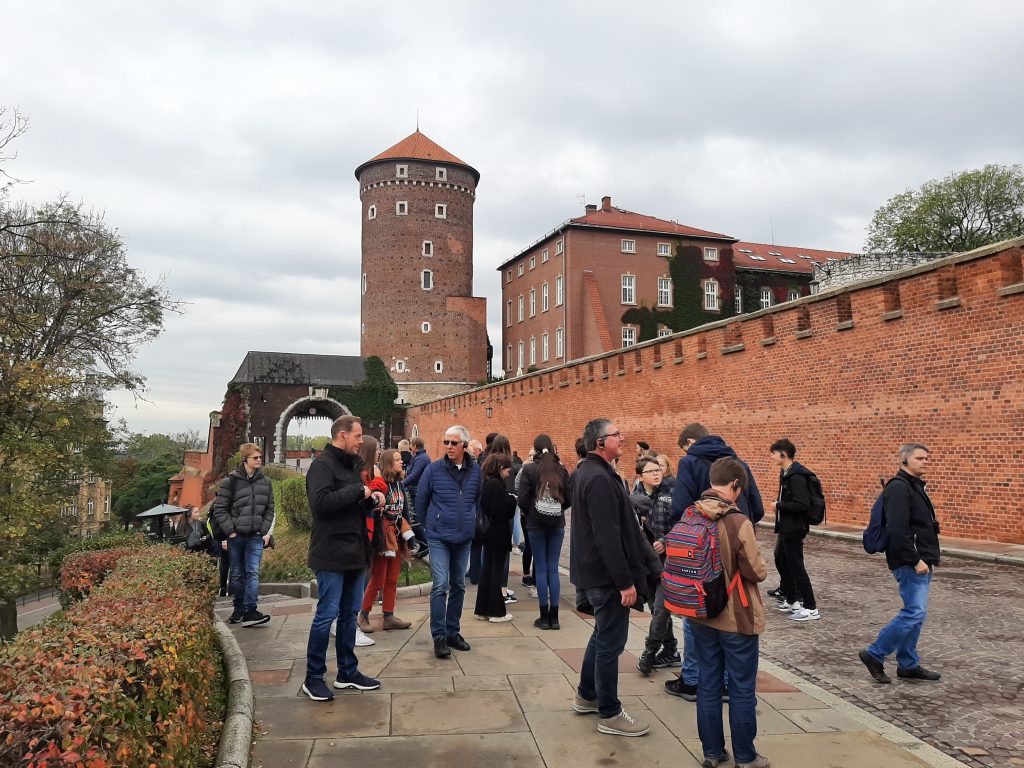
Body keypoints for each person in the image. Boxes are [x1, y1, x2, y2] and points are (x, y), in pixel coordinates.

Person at [668, 423, 764, 700]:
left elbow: (680, 509)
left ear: (689, 442)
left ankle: (693, 678)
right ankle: (724, 683)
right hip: (738, 546)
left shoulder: (690, 462)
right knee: (732, 610)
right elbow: (756, 508)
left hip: (703, 552)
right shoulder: (738, 463)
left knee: (698, 610)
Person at [569, 419, 652, 737]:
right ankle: (609, 712)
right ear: (600, 443)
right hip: (606, 578)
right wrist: (625, 583)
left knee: (602, 636)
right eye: (617, 434)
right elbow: (607, 537)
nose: (623, 437)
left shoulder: (589, 472)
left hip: (595, 574)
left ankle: (586, 696)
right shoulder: (600, 478)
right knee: (610, 643)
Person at [687, 457, 770, 768]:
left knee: (707, 683)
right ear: (735, 485)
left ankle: (712, 752)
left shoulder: (690, 514)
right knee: (741, 687)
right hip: (736, 615)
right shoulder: (737, 522)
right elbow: (756, 571)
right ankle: (746, 757)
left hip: (699, 611)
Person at [301, 415, 384, 702]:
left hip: (354, 551)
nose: (362, 441)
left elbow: (351, 502)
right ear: (342, 435)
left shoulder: (352, 466)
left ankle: (347, 671)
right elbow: (321, 504)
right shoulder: (322, 466)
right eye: (358, 435)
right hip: (331, 553)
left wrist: (369, 499)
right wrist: (356, 491)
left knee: (349, 615)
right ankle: (313, 677)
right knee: (326, 616)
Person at [859, 444, 942, 685]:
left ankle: (907, 664)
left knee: (916, 614)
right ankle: (875, 653)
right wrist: (914, 559)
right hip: (910, 561)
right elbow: (897, 529)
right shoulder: (899, 488)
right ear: (905, 461)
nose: (926, 461)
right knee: (914, 611)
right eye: (920, 458)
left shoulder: (915, 486)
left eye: (927, 457)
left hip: (922, 560)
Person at [414, 425, 482, 659]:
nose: (449, 447)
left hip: (463, 538)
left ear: (465, 445)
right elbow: (420, 501)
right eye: (446, 443)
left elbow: (478, 499)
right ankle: (439, 636)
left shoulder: (476, 471)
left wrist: (474, 521)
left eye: (454, 443)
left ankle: (453, 632)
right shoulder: (434, 470)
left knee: (459, 585)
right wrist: (429, 527)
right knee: (440, 585)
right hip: (439, 537)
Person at [213, 444, 275, 628]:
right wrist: (230, 531)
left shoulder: (266, 482)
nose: (258, 460)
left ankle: (250, 611)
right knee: (237, 574)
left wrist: (263, 530)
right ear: (245, 459)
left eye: (259, 457)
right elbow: (220, 508)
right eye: (254, 457)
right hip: (236, 536)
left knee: (253, 572)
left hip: (255, 535)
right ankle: (238, 608)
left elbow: (270, 508)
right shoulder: (230, 482)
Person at [632, 457, 680, 674]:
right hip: (646, 563)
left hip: (668, 561)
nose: (656, 473)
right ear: (641, 476)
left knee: (661, 607)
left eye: (658, 469)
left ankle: (650, 650)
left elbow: (682, 525)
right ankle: (670, 650)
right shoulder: (634, 499)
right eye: (650, 470)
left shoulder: (672, 494)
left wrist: (665, 541)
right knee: (657, 610)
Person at [357, 449, 414, 633]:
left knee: (392, 577)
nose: (401, 463)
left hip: (397, 535)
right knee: (378, 578)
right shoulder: (381, 484)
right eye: (397, 460)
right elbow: (371, 506)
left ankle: (388, 615)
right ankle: (363, 614)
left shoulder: (400, 485)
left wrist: (409, 533)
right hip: (383, 537)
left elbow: (404, 510)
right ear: (389, 463)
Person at [517, 435, 569, 629]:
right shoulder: (562, 470)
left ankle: (543, 616)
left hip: (535, 524)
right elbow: (569, 498)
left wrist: (534, 510)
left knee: (540, 567)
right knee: (552, 568)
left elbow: (522, 499)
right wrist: (555, 510)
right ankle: (555, 618)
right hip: (557, 525)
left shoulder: (529, 470)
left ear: (536, 449)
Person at [766, 438, 819, 621]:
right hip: (786, 527)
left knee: (796, 566)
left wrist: (778, 505)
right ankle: (792, 599)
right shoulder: (786, 472)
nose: (772, 457)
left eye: (774, 454)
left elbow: (802, 504)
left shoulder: (796, 476)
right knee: (781, 560)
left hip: (794, 528)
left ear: (783, 454)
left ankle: (811, 606)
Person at [474, 453, 516, 623]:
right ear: (500, 469)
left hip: (489, 534)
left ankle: (483, 608)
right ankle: (496, 611)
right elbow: (503, 511)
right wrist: (512, 501)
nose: (508, 474)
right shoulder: (496, 485)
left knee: (488, 571)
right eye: (507, 471)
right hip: (498, 534)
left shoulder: (488, 483)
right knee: (495, 573)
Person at [404, 436, 431, 553]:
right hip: (415, 489)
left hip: (416, 490)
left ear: (415, 446)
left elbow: (414, 475)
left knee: (415, 517)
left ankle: (425, 543)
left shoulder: (421, 458)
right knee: (414, 517)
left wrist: (401, 484)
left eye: (411, 445)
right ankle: (423, 544)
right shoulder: (419, 457)